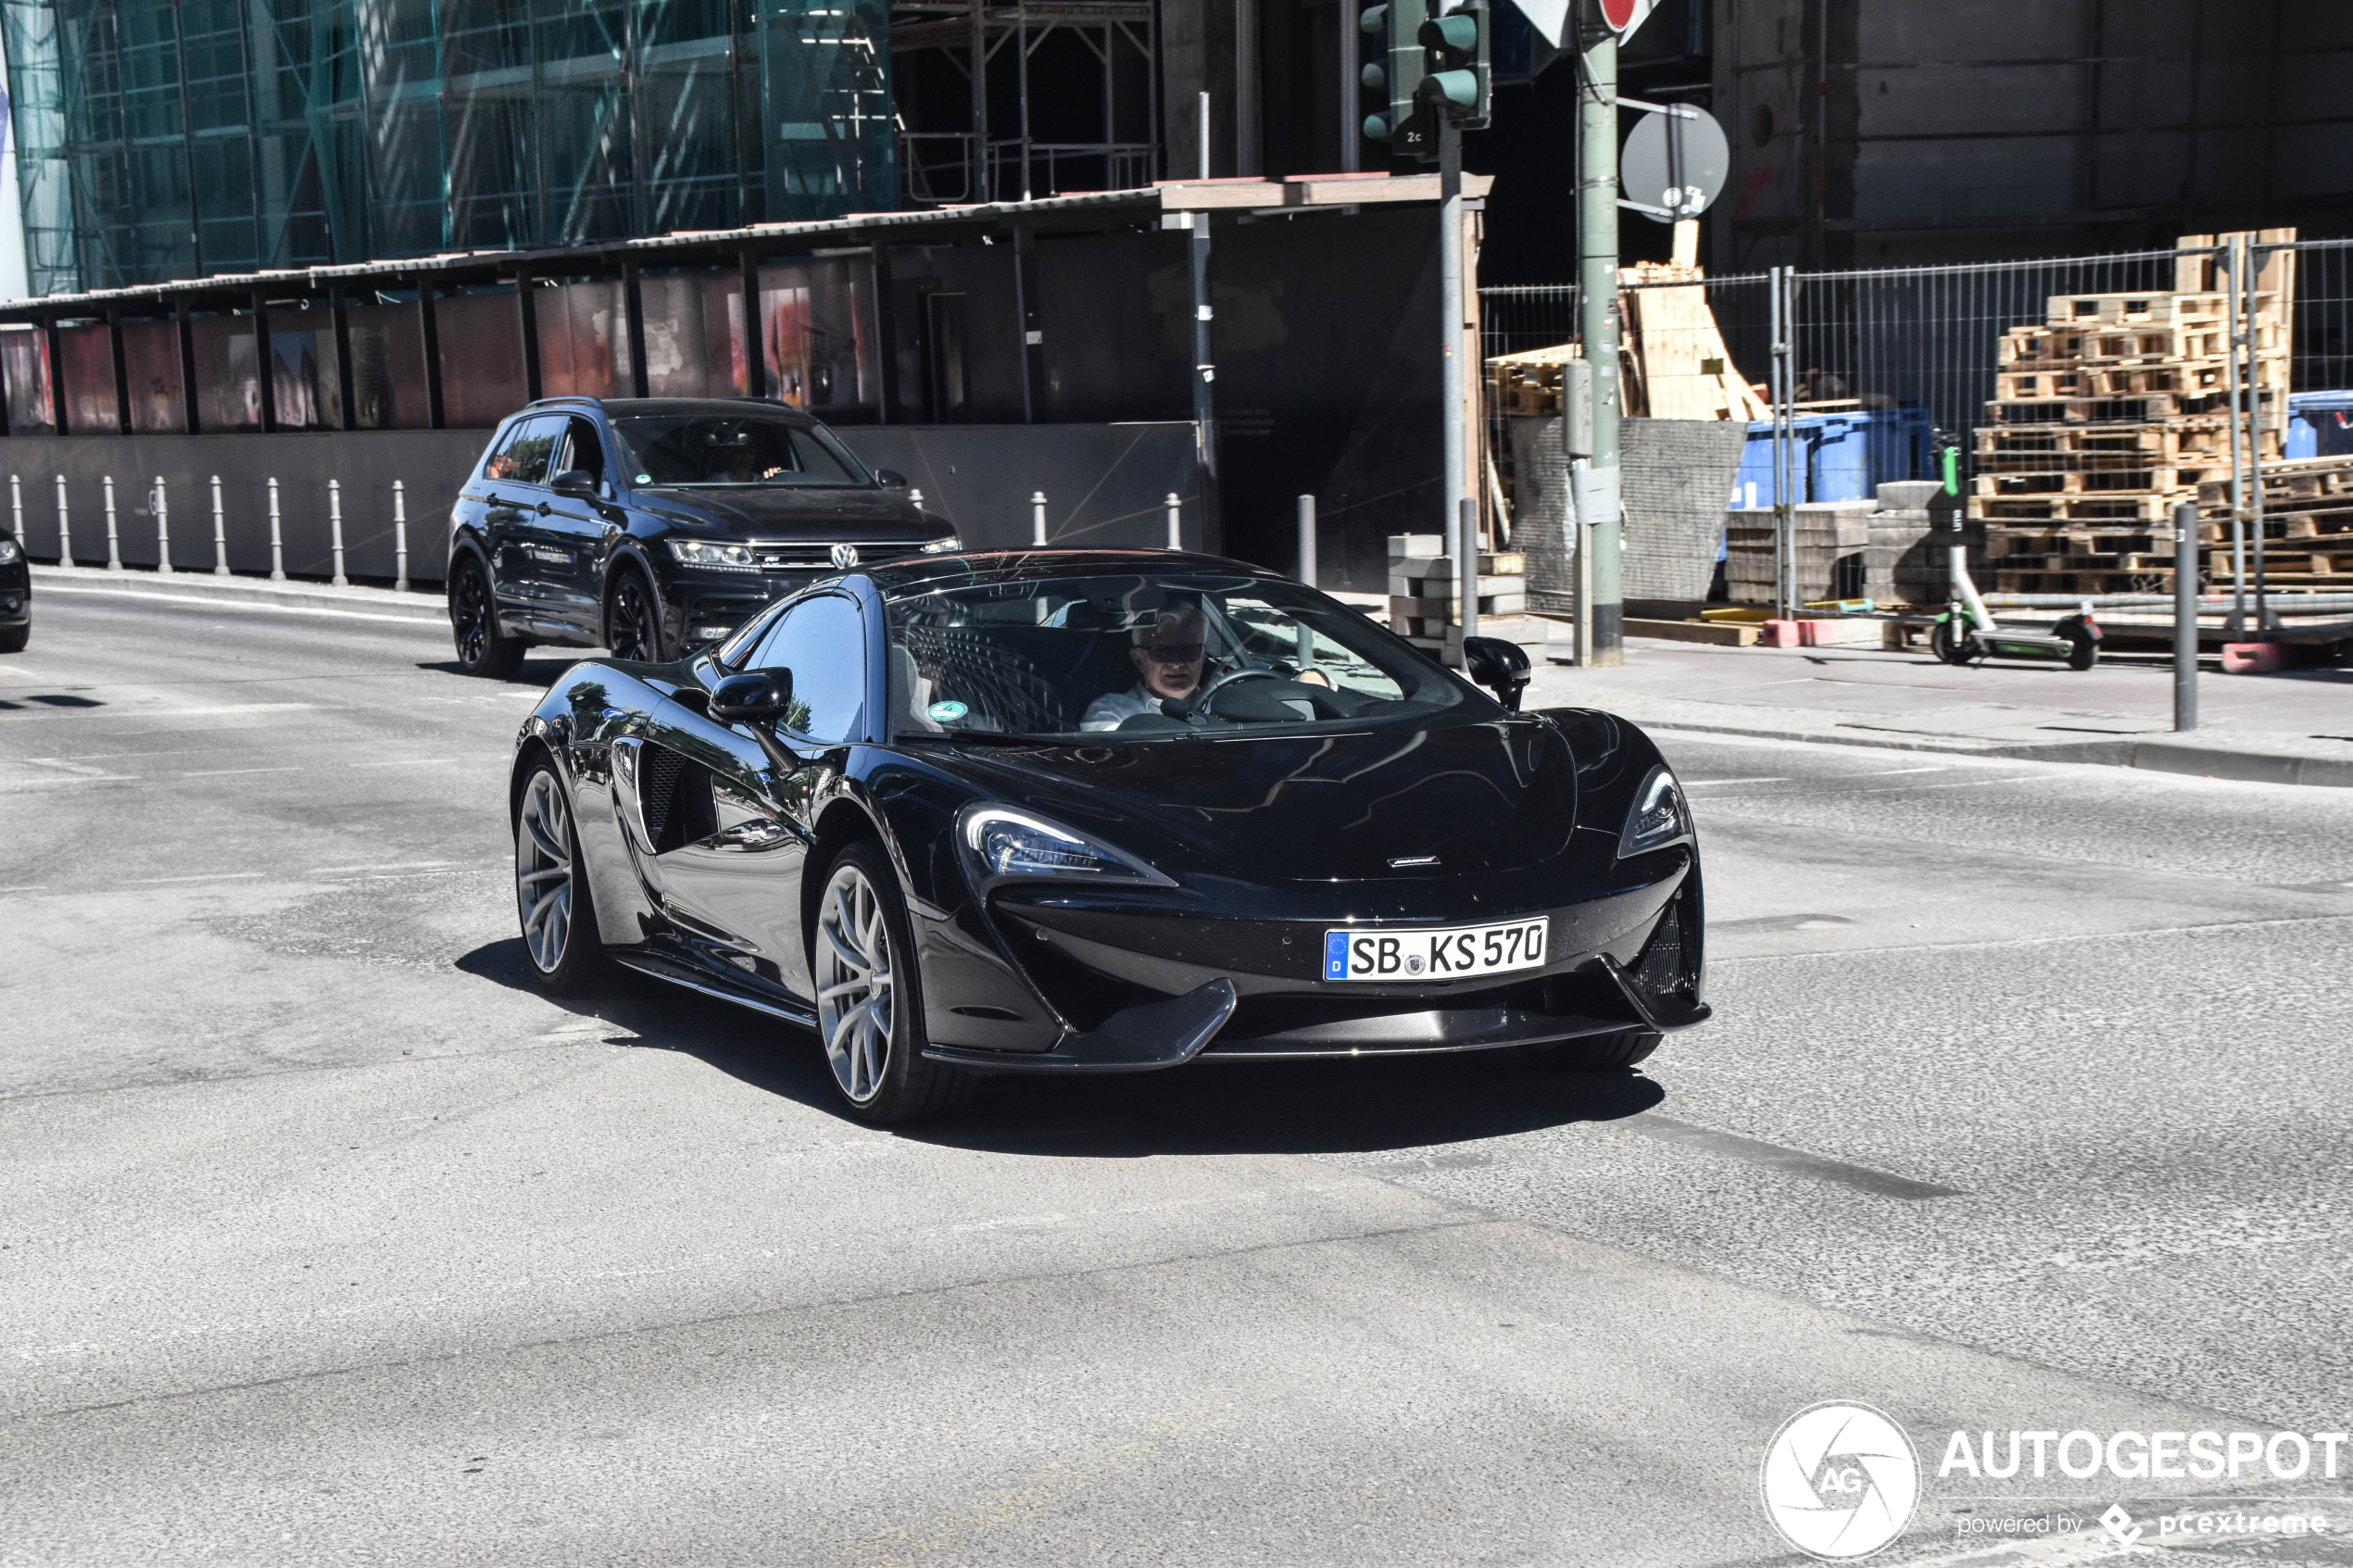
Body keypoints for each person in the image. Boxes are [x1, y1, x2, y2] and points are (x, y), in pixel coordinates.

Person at [1081, 607, 1208, 730]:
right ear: (1138, 660)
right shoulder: (1110, 713)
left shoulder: (1225, 704)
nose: (1176, 663)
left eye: (1188, 650)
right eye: (1161, 652)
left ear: (1203, 656)